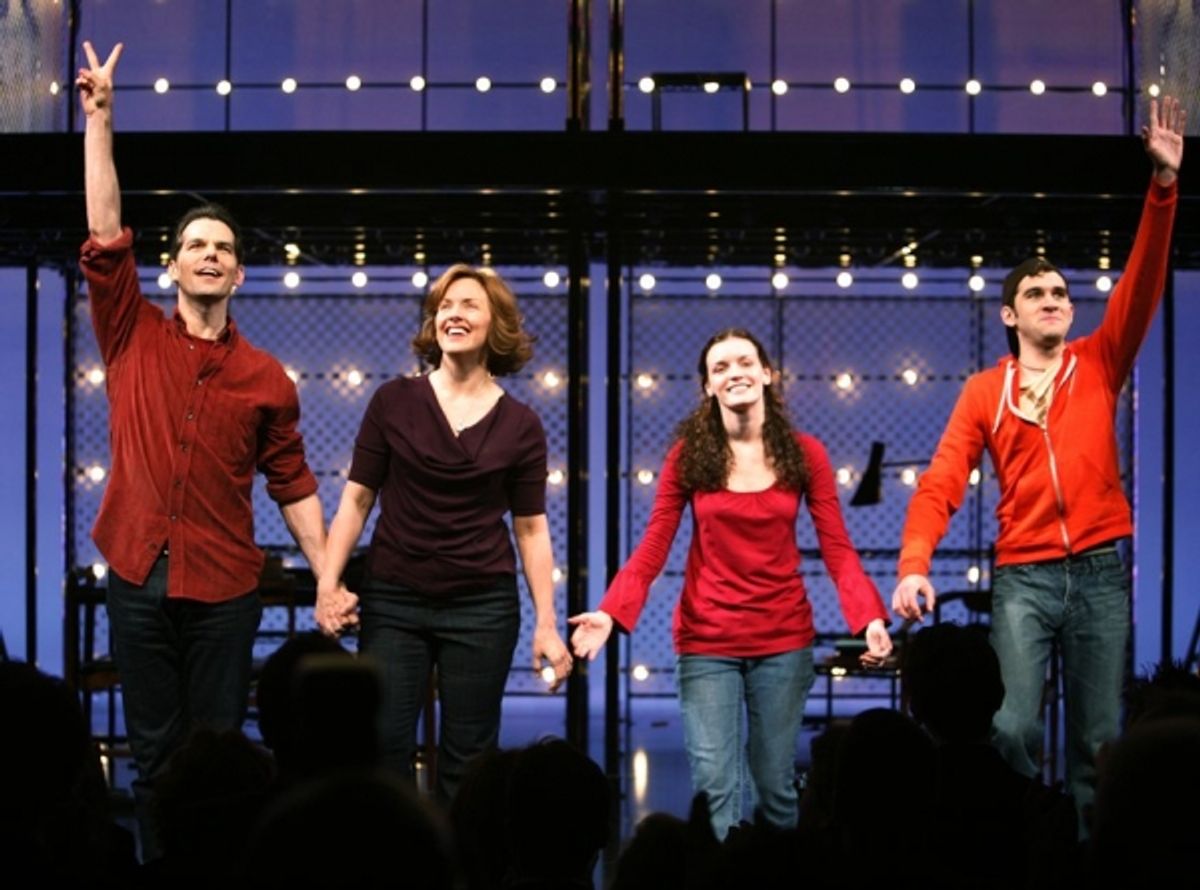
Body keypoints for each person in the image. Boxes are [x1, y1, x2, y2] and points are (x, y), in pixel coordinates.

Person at [892, 96, 1185, 825]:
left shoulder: (1099, 363)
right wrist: (913, 561)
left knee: (1096, 741)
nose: (1054, 299)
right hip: (1023, 577)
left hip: (1096, 573)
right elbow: (941, 481)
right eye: (1036, 292)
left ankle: (1089, 858)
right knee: (1011, 727)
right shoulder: (985, 391)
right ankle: (1026, 843)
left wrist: (1163, 190)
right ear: (1009, 314)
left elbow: (1144, 282)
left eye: (1060, 291)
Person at [76, 41, 329, 859]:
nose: (210, 254)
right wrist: (102, 121)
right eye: (196, 246)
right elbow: (104, 229)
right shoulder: (130, 333)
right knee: (153, 757)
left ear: (240, 274)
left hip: (223, 584)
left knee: (218, 755)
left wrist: (327, 575)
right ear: (172, 266)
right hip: (139, 572)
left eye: (224, 247)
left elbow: (292, 484)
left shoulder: (265, 378)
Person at [571, 328, 892, 839]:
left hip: (783, 640)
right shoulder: (689, 457)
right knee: (715, 789)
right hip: (707, 641)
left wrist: (868, 617)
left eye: (745, 362)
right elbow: (654, 544)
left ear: (767, 374)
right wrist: (611, 612)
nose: (734, 372)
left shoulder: (805, 454)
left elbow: (837, 547)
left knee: (774, 788)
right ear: (707, 387)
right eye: (720, 368)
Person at [317, 263, 572, 803]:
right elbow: (356, 500)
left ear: (495, 323)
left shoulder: (522, 424)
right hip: (394, 599)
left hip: (482, 606)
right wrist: (328, 582)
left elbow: (531, 529)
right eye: (445, 306)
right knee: (382, 748)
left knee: (470, 761)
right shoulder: (393, 401)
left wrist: (547, 622)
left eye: (468, 304)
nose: (454, 314)